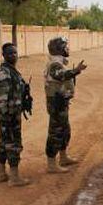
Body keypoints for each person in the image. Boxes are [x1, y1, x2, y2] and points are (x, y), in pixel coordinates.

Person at [44, 37, 87, 173]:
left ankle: (63, 157)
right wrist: (76, 70)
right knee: (55, 132)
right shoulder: (55, 64)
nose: (67, 48)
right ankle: (51, 164)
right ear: (58, 48)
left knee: (64, 130)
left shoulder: (58, 62)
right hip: (56, 103)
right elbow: (61, 76)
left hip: (61, 102)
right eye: (64, 46)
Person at [0, 43, 31, 186]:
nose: (13, 55)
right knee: (13, 143)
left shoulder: (11, 70)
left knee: (4, 142)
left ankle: (0, 174)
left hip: (10, 114)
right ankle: (14, 178)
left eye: (15, 53)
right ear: (3, 55)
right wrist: (7, 118)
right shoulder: (4, 73)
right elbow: (1, 99)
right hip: (8, 116)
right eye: (9, 53)